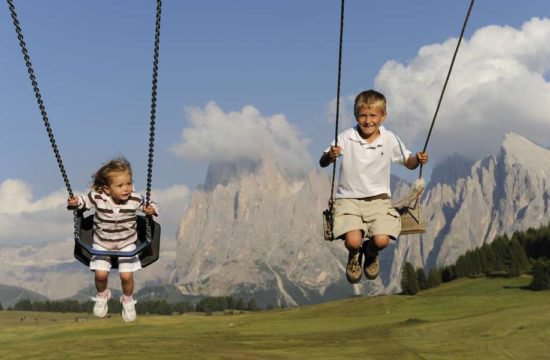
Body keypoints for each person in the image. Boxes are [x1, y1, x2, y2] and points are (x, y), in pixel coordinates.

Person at [320, 90, 428, 284]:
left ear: (383, 116)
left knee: (381, 240)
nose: (368, 120)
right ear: (356, 116)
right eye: (363, 115)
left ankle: (370, 253)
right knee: (352, 241)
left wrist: (417, 160)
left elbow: (408, 162)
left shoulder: (389, 139)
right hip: (349, 201)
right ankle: (354, 255)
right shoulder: (347, 137)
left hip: (379, 201)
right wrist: (330, 156)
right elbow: (323, 161)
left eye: (373, 115)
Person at [67, 157, 158, 322]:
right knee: (101, 275)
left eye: (129, 184)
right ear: (107, 189)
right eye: (120, 185)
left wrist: (151, 210)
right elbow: (83, 201)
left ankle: (128, 300)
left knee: (126, 277)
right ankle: (103, 295)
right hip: (102, 243)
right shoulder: (98, 196)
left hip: (127, 243)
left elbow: (150, 204)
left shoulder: (135, 199)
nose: (126, 189)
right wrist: (75, 202)